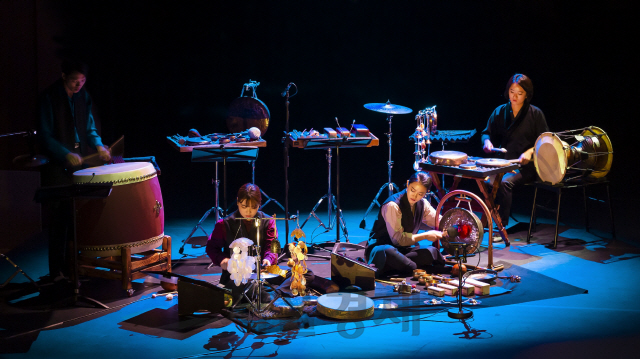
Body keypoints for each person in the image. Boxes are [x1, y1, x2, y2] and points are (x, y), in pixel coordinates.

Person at [37, 60, 111, 281]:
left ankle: (73, 266)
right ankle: (55, 272)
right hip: (57, 166)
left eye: (82, 80)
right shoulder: (48, 97)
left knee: (77, 218)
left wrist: (97, 144)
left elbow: (89, 127)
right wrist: (64, 153)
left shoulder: (83, 96)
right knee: (59, 220)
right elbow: (45, 135)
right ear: (63, 76)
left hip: (80, 164)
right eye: (74, 81)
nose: (78, 85)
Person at [480, 74, 549, 229]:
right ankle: (487, 221)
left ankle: (501, 226)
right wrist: (487, 142)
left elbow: (544, 140)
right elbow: (486, 133)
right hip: (503, 163)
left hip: (525, 166)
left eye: (520, 93)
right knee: (482, 178)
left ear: (527, 95)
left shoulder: (535, 114)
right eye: (512, 91)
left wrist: (530, 152)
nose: (515, 96)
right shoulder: (500, 111)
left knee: (504, 183)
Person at [365, 171, 448, 277]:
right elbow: (398, 240)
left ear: (426, 192)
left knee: (432, 251)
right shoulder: (393, 205)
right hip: (381, 249)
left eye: (420, 194)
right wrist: (426, 235)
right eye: (413, 190)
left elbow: (438, 221)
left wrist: (453, 227)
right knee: (388, 252)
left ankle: (404, 267)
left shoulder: (423, 204)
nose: (415, 196)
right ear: (408, 183)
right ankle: (414, 268)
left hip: (403, 251)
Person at [206, 183, 277, 301]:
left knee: (306, 274)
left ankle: (262, 291)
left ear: (259, 204)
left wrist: (268, 259)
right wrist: (222, 259)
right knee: (247, 289)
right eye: (244, 206)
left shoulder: (268, 222)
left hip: (262, 274)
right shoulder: (224, 224)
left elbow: (272, 247)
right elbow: (211, 248)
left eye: (254, 207)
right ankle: (261, 292)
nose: (248, 211)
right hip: (236, 276)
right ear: (238, 202)